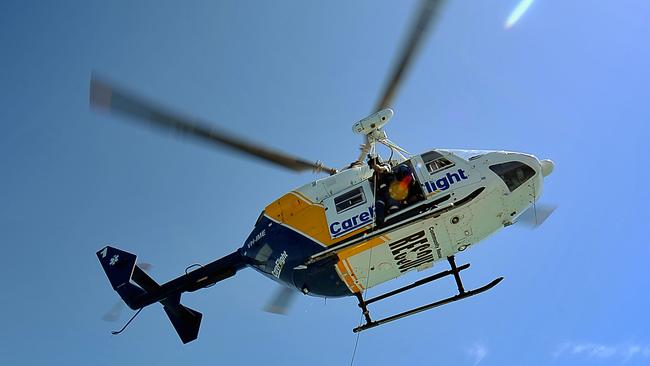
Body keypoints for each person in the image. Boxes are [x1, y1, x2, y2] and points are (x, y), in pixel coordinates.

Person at [367, 155, 392, 226]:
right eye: (371, 164)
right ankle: (380, 221)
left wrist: (379, 167)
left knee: (391, 201)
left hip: (390, 191)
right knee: (378, 203)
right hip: (382, 194)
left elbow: (384, 168)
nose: (372, 165)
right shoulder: (374, 174)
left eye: (373, 162)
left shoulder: (386, 165)